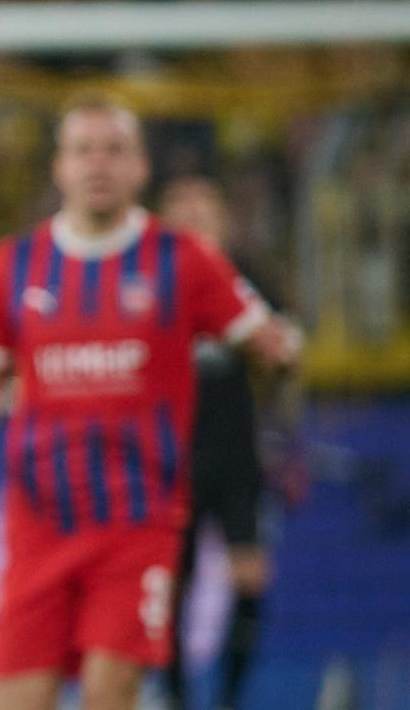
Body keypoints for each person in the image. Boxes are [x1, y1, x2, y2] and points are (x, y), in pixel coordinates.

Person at [0, 94, 292, 710]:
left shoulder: (186, 259)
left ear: (141, 168)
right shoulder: (14, 266)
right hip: (38, 526)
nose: (99, 164)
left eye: (115, 150)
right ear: (60, 168)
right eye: (83, 150)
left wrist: (280, 351)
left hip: (137, 523)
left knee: (108, 693)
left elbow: (264, 336)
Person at [158, 175, 302, 710]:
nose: (193, 213)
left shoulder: (249, 277)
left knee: (249, 576)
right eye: (180, 205)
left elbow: (287, 353)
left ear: (224, 219)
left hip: (237, 452)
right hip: (172, 458)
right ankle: (174, 697)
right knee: (172, 585)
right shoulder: (148, 282)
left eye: (203, 204)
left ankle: (228, 699)